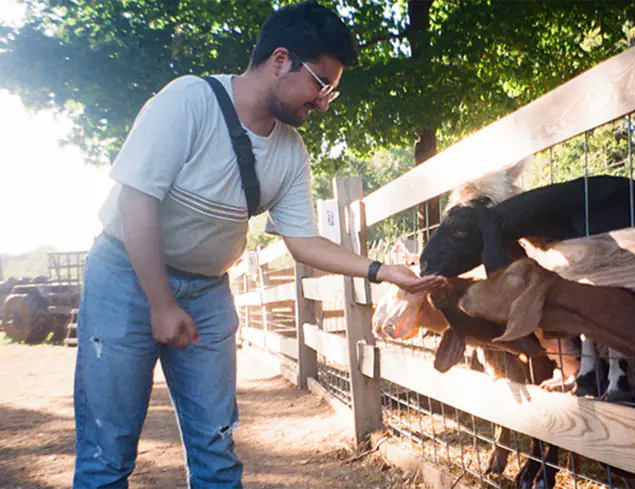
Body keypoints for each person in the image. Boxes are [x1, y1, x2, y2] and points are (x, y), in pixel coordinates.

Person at [73, 2, 444, 487]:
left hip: (207, 290)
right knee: (108, 448)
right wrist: (161, 304)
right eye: (321, 84)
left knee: (217, 445)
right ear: (280, 60)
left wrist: (380, 271)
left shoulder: (290, 151)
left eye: (331, 91)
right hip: (126, 277)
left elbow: (303, 242)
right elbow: (136, 204)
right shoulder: (188, 100)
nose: (324, 102)